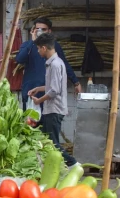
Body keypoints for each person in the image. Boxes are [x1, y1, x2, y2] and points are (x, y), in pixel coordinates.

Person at [28, 33, 77, 167]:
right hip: (53, 109)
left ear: (44, 48)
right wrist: (38, 89)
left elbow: (54, 91)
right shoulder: (55, 63)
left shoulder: (55, 65)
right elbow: (53, 86)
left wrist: (39, 101)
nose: (38, 51)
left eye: (38, 48)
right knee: (48, 141)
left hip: (54, 109)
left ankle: (73, 164)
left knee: (52, 143)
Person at [16, 16, 81, 111]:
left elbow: (65, 65)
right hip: (31, 91)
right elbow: (20, 59)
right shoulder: (27, 45)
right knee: (31, 123)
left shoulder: (54, 47)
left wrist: (76, 82)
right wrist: (33, 42)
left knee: (48, 123)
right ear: (33, 30)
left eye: (43, 29)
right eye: (37, 29)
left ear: (49, 31)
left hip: (48, 93)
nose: (40, 31)